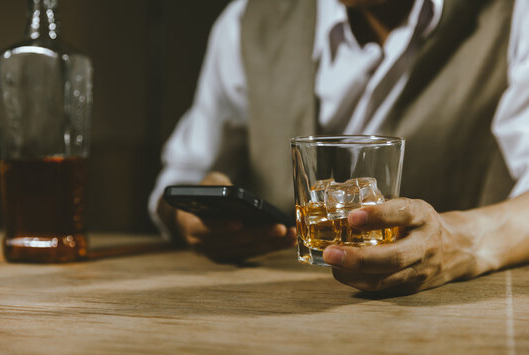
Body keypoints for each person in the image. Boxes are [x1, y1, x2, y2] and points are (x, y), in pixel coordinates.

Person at [149, 0, 529, 294]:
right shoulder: (247, 21)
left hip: (456, 322)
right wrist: (189, 219)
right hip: (273, 319)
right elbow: (179, 178)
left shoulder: (515, 14)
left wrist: (458, 240)